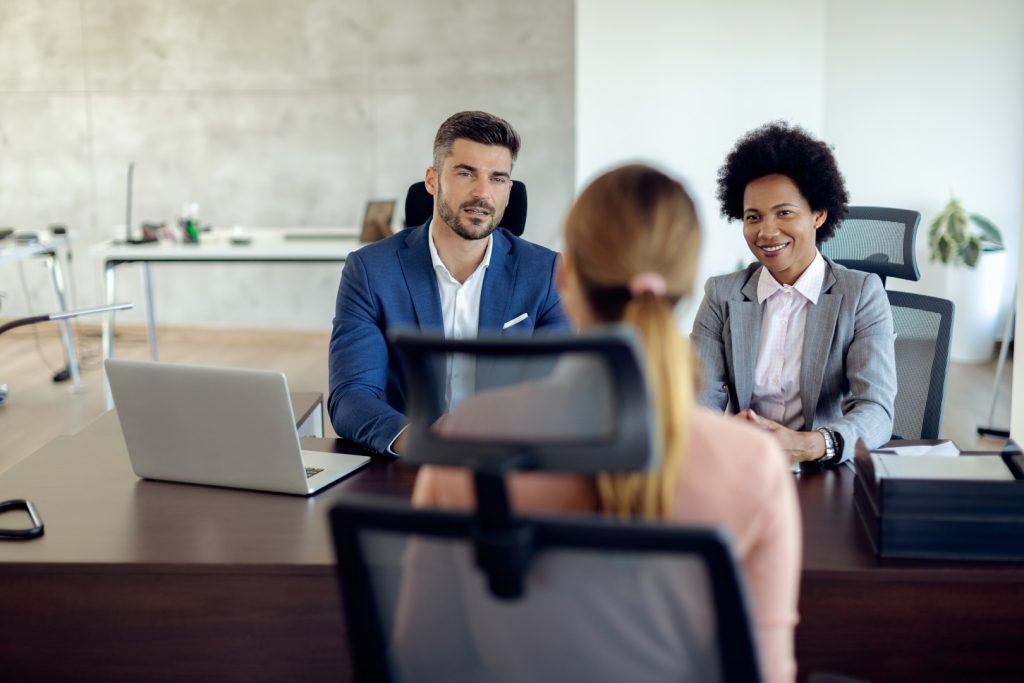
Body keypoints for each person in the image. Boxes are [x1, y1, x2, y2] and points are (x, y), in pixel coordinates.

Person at [409, 165, 801, 683]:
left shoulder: (468, 436)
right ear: (685, 289)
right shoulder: (753, 466)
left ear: (565, 275)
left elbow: (422, 658)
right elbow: (764, 674)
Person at [328, 111, 568, 455]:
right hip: (407, 468)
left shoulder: (546, 274)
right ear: (432, 180)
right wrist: (420, 439)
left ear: (509, 190)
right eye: (466, 173)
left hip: (508, 463)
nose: (483, 193)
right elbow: (351, 396)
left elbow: (558, 394)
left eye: (498, 178)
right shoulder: (370, 271)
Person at [691, 122, 896, 466]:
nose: (767, 231)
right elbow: (698, 397)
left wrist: (811, 445)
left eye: (784, 213)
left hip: (827, 466)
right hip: (746, 463)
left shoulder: (862, 294)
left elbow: (875, 408)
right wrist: (719, 431)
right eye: (753, 216)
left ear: (818, 214)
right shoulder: (721, 294)